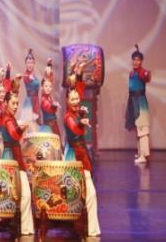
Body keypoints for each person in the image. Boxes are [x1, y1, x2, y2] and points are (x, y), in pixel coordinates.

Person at [64, 88, 101, 237]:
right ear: (67, 101)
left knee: (88, 193)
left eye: (77, 98)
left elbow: (79, 122)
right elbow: (75, 129)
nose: (76, 101)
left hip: (81, 154)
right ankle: (78, 225)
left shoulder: (77, 113)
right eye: (72, 99)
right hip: (74, 157)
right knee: (76, 192)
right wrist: (81, 123)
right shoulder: (68, 117)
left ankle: (91, 229)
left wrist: (83, 116)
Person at [0, 91, 34, 235]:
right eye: (13, 103)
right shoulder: (7, 119)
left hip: (14, 155)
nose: (15, 106)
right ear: (5, 103)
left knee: (22, 193)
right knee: (20, 193)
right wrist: (21, 128)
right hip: (10, 157)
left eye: (17, 103)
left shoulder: (10, 117)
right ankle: (24, 228)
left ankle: (25, 228)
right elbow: (14, 134)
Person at [125, 44, 152, 164]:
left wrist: (147, 74)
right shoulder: (132, 73)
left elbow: (147, 77)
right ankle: (140, 152)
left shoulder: (142, 72)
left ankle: (144, 155)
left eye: (138, 60)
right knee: (137, 128)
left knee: (143, 128)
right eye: (134, 60)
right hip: (133, 101)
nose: (136, 62)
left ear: (141, 61)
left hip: (140, 103)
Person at [39, 59, 61, 137]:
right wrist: (54, 105)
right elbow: (48, 107)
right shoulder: (43, 99)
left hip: (54, 124)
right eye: (46, 86)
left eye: (50, 86)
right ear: (42, 87)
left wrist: (49, 65)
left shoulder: (48, 97)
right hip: (48, 127)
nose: (48, 88)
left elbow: (50, 78)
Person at [20, 49, 40, 126]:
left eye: (31, 63)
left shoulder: (33, 75)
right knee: (29, 123)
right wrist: (29, 77)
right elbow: (26, 79)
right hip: (30, 101)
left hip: (36, 100)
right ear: (25, 64)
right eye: (28, 63)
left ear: (34, 64)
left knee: (35, 123)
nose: (30, 65)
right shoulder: (26, 76)